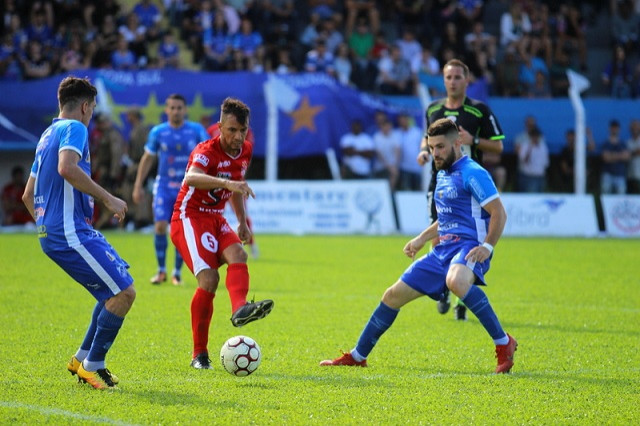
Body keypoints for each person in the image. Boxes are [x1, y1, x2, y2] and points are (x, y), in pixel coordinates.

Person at [320, 118, 517, 374]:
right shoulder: (443, 174)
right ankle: (358, 356)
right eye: (432, 147)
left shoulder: (474, 172)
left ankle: (504, 343)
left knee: (456, 282)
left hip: (470, 246)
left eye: (441, 147)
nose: (435, 153)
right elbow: (445, 220)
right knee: (391, 296)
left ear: (457, 142)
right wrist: (421, 238)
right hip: (442, 251)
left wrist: (488, 247)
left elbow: (499, 212)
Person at [21, 76, 135, 389]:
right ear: (85, 106)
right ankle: (93, 365)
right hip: (70, 232)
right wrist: (107, 197)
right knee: (124, 293)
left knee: (117, 283)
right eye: (93, 109)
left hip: (65, 231)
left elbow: (27, 196)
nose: (92, 114)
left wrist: (47, 228)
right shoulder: (75, 128)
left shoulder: (47, 135)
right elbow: (67, 168)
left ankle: (81, 357)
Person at [170, 97, 274, 369]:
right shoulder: (206, 150)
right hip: (189, 217)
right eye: (232, 130)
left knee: (239, 253)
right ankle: (199, 354)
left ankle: (240, 309)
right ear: (219, 127)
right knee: (209, 280)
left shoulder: (246, 150)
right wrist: (228, 182)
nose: (238, 137)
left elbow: (237, 187)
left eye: (243, 130)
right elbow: (191, 178)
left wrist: (242, 222)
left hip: (216, 218)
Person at [417, 59, 504, 320]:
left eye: (457, 77)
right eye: (448, 77)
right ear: (443, 80)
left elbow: (498, 146)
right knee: (438, 233)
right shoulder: (433, 108)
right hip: (439, 181)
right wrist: (423, 151)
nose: (453, 81)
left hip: (469, 186)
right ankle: (444, 287)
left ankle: (461, 295)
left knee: (467, 236)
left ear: (467, 81)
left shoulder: (479, 110)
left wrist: (473, 140)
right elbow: (427, 137)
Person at [133, 94, 208, 286]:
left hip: (188, 187)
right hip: (164, 185)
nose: (176, 111)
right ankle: (161, 271)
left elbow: (209, 155)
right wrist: (138, 185)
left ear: (185, 110)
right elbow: (147, 158)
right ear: (166, 110)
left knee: (180, 230)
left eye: (179, 108)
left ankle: (177, 273)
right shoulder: (158, 132)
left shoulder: (196, 131)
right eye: (172, 108)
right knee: (159, 226)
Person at [515, 126, 549, 193]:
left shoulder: (543, 147)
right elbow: (524, 160)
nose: (535, 138)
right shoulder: (525, 146)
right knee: (531, 195)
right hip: (529, 176)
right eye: (534, 136)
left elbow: (546, 162)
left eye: (537, 136)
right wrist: (530, 148)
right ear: (530, 137)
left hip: (540, 175)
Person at [600, 119, 630, 194]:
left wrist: (612, 155)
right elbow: (606, 158)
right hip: (607, 174)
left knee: (621, 196)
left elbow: (626, 157)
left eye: (616, 128)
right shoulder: (605, 143)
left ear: (619, 129)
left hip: (620, 174)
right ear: (609, 129)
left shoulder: (623, 144)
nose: (614, 130)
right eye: (613, 128)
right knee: (605, 195)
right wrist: (620, 155)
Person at [627, 119, 640, 194]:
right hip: (630, 175)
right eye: (633, 128)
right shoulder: (628, 142)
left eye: (636, 127)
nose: (634, 129)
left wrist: (630, 154)